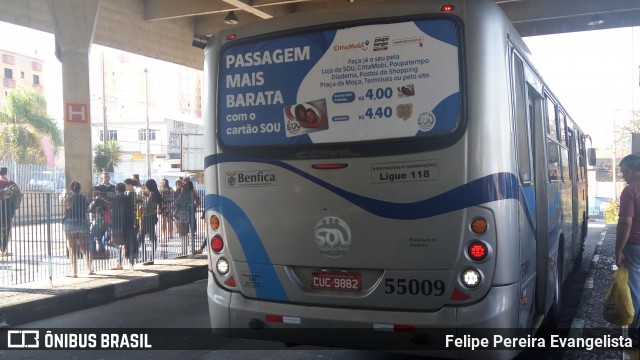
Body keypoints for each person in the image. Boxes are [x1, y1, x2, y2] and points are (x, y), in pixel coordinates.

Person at [616, 154, 640, 345]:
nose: (623, 175)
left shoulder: (630, 191)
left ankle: (636, 331)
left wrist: (618, 250)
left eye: (623, 172)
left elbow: (625, 223)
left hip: (635, 246)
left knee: (636, 289)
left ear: (631, 171)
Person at [63, 181, 93, 277]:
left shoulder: (69, 198)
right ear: (80, 189)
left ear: (71, 189)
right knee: (85, 248)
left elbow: (65, 210)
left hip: (70, 222)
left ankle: (74, 272)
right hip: (82, 221)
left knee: (72, 248)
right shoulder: (85, 198)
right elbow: (87, 209)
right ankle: (90, 269)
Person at [109, 182, 135, 270]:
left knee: (118, 244)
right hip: (128, 224)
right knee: (129, 244)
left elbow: (112, 214)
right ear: (124, 190)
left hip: (117, 224)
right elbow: (132, 212)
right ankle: (131, 263)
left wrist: (112, 227)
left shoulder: (114, 199)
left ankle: (119, 263)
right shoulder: (129, 199)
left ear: (116, 190)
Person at [137, 179, 162, 265]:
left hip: (147, 217)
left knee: (141, 237)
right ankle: (149, 257)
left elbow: (147, 207)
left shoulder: (152, 194)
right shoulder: (156, 193)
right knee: (151, 237)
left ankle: (147, 257)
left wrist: (141, 204)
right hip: (152, 217)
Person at [0, 167, 21, 256]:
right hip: (7, 210)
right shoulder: (11, 183)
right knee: (6, 229)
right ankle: (4, 250)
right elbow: (19, 194)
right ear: (6, 173)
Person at [175, 179, 200, 255]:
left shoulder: (183, 193)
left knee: (183, 232)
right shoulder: (192, 192)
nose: (183, 185)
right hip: (191, 212)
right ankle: (192, 248)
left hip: (183, 212)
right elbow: (198, 201)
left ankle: (184, 250)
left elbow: (177, 202)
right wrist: (194, 205)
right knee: (191, 230)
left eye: (185, 184)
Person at [87, 187, 110, 258]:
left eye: (95, 191)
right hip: (100, 220)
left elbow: (90, 209)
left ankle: (93, 251)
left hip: (98, 220)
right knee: (98, 235)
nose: (94, 192)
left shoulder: (98, 200)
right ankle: (101, 250)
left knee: (91, 235)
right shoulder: (102, 201)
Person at [158, 178, 175, 243]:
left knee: (163, 221)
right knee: (169, 221)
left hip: (163, 207)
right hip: (169, 207)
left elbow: (159, 199)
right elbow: (174, 197)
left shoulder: (161, 190)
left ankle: (164, 234)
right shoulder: (171, 189)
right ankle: (170, 234)